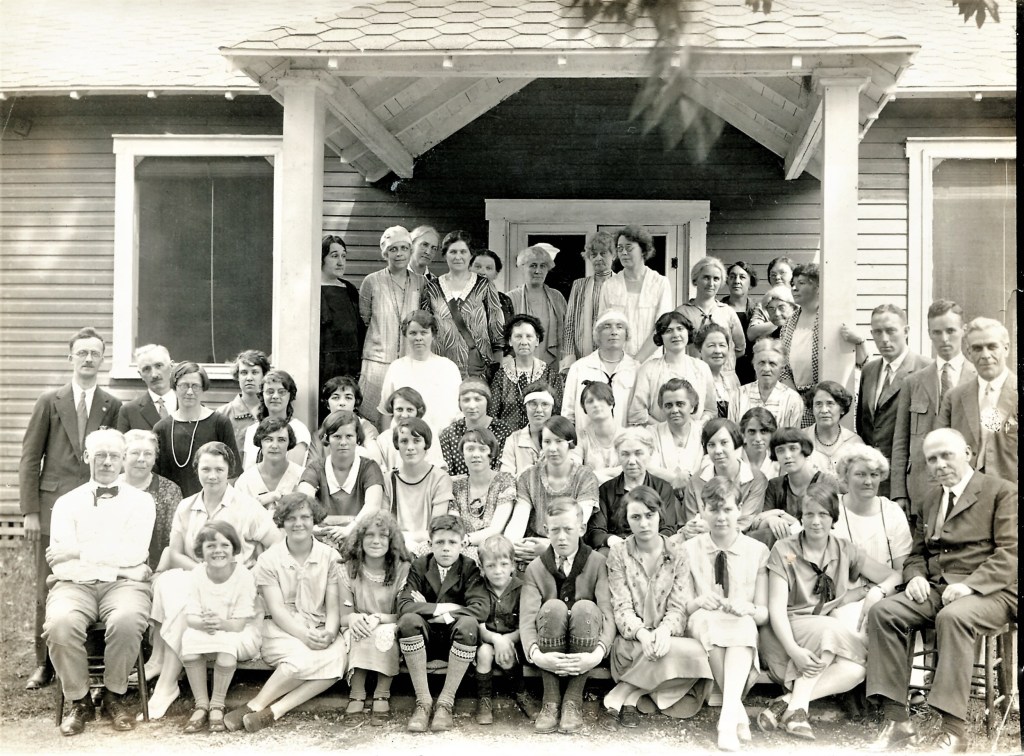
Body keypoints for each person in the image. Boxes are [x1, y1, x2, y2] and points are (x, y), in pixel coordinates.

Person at [866, 428, 1017, 753]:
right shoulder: (931, 498)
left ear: (968, 452)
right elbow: (917, 554)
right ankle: (898, 723)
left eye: (946, 455)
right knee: (883, 611)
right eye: (931, 459)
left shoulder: (1002, 492)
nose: (939, 464)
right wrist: (916, 576)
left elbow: (1011, 555)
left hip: (992, 592)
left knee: (952, 617)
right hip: (937, 589)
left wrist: (968, 586)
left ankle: (953, 731)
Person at [20, 327, 123, 690]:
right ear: (71, 358)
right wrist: (31, 512)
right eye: (82, 353)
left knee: (93, 579)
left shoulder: (112, 404)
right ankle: (45, 664)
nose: (88, 359)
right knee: (49, 585)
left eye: (95, 353)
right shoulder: (50, 401)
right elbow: (31, 458)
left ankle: (90, 661)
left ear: (102, 358)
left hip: (96, 508)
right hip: (52, 507)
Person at [759, 481, 901, 741]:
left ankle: (790, 704)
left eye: (823, 514)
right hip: (786, 633)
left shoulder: (843, 549)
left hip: (823, 636)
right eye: (809, 513)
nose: (815, 521)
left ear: (833, 517)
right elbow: (776, 611)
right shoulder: (784, 550)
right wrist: (793, 650)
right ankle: (797, 710)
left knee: (855, 671)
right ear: (801, 516)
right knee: (833, 629)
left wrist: (875, 592)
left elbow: (894, 575)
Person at [145, 442, 279, 719]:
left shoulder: (246, 506)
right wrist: (201, 574)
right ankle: (165, 670)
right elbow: (175, 552)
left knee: (183, 595)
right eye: (206, 469)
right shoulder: (186, 506)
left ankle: (166, 681)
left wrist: (248, 576)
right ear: (197, 471)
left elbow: (276, 544)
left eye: (220, 469)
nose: (213, 475)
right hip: (197, 577)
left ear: (229, 471)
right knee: (171, 583)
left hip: (231, 586)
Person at [43, 428, 154, 735]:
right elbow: (60, 561)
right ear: (87, 457)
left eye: (114, 456)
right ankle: (80, 701)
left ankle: (114, 695)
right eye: (100, 455)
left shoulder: (141, 502)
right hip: (75, 584)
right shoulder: (66, 503)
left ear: (123, 460)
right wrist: (120, 564)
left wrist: (79, 550)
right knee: (60, 624)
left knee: (128, 618)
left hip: (123, 586)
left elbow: (135, 552)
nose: (107, 462)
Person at [224, 493, 348, 733]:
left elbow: (333, 607)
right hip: (280, 628)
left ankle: (273, 711)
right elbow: (278, 610)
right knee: (298, 662)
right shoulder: (270, 559)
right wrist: (304, 635)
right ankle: (256, 704)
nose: (298, 523)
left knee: (337, 662)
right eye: (291, 518)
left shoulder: (330, 557)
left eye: (305, 517)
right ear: (282, 521)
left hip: (320, 626)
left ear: (314, 521)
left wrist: (331, 633)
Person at [601, 486, 713, 731]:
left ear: (660, 514)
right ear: (627, 520)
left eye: (650, 515)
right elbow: (621, 607)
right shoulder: (619, 553)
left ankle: (624, 695)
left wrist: (663, 632)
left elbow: (678, 607)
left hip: (666, 642)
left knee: (698, 654)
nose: (644, 523)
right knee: (670, 655)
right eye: (636, 517)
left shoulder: (677, 552)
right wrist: (643, 634)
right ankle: (637, 692)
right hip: (633, 643)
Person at [681, 477, 769, 751]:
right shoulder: (689, 549)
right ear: (702, 510)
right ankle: (736, 712)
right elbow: (684, 608)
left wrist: (749, 608)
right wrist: (699, 601)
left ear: (740, 508)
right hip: (703, 620)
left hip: (739, 622)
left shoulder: (757, 551)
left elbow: (764, 613)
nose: (720, 517)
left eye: (728, 510)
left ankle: (727, 719)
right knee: (710, 624)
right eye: (713, 509)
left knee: (742, 625)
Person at [520, 498, 615, 734]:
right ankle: (551, 701)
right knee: (553, 607)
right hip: (548, 650)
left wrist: (598, 653)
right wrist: (535, 655)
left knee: (585, 608)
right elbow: (527, 618)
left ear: (581, 529)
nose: (561, 537)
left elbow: (608, 613)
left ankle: (573, 700)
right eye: (555, 530)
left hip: (586, 647)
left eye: (568, 530)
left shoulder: (598, 563)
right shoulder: (535, 568)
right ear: (546, 531)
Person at [397, 514, 489, 732]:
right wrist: (445, 608)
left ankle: (446, 703)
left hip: (454, 639)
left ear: (463, 543)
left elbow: (480, 608)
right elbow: (404, 605)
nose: (446, 548)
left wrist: (439, 614)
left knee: (468, 625)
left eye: (452, 542)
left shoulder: (469, 568)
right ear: (430, 544)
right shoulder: (420, 565)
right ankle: (423, 702)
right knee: (409, 621)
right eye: (440, 542)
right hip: (425, 640)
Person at [891, 301, 974, 515]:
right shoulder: (913, 382)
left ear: (963, 331)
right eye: (937, 332)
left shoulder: (979, 378)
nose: (944, 339)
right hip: (921, 487)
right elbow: (900, 441)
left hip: (967, 484)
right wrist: (899, 493)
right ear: (929, 333)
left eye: (950, 331)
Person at [179, 521, 261, 734]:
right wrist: (204, 623)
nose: (218, 551)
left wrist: (220, 624)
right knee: (188, 642)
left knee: (226, 647)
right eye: (211, 546)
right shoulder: (197, 574)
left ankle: (217, 704)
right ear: (201, 551)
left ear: (234, 547)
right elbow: (191, 617)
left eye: (224, 545)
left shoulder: (243, 575)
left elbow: (240, 623)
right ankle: (201, 705)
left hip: (240, 631)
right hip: (209, 628)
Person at [337, 510, 412, 726]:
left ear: (392, 539)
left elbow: (404, 613)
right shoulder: (348, 568)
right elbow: (343, 616)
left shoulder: (402, 569)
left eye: (383, 535)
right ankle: (357, 692)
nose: (376, 541)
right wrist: (353, 619)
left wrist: (379, 618)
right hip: (357, 623)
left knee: (385, 632)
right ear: (359, 538)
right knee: (359, 629)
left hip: (389, 621)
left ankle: (382, 693)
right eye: (369, 535)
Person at [855, 304, 930, 496]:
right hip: (873, 481)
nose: (884, 339)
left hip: (909, 481)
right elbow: (864, 427)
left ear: (906, 331)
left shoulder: (926, 370)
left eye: (890, 331)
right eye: (877, 332)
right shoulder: (869, 371)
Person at [780, 264, 868, 428]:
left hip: (830, 403)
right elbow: (783, 368)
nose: (794, 287)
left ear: (819, 287)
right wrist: (798, 399)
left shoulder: (833, 319)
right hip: (801, 402)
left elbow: (862, 361)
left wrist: (860, 341)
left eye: (802, 283)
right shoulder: (788, 324)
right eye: (793, 283)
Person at [505, 417, 600, 567]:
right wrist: (510, 546)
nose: (552, 448)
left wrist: (549, 546)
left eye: (559, 441)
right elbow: (518, 520)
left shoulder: (585, 477)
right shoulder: (529, 477)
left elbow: (577, 523)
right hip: (532, 546)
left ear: (571, 444)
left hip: (570, 546)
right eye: (547, 442)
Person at [938, 317, 1017, 486]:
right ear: (968, 353)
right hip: (966, 494)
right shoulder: (954, 397)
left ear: (1006, 348)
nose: (985, 355)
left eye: (992, 347)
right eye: (977, 348)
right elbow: (940, 449)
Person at [358, 225, 425, 426]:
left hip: (409, 360)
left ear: (410, 251)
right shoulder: (372, 282)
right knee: (371, 417)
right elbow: (365, 317)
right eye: (393, 249)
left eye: (404, 248)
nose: (399, 254)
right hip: (377, 361)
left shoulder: (421, 283)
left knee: (405, 416)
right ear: (385, 253)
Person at [420, 229, 505, 379]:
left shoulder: (484, 285)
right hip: (440, 367)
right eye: (452, 252)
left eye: (463, 252)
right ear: (445, 254)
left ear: (471, 255)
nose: (458, 257)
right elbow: (425, 328)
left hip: (478, 369)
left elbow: (496, 328)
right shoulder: (432, 287)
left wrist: (497, 370)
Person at [297, 410, 385, 547]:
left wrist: (350, 530)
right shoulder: (316, 468)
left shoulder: (369, 468)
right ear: (327, 438)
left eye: (349, 436)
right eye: (337, 436)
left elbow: (373, 507)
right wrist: (312, 528)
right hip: (323, 539)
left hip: (360, 539)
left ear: (358, 439)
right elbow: (301, 501)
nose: (343, 442)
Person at [473, 534, 536, 724]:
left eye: (503, 564)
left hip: (514, 641)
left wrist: (506, 641)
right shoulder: (479, 588)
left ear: (513, 565)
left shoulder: (521, 588)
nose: (498, 571)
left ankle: (520, 693)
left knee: (507, 653)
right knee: (484, 652)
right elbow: (479, 625)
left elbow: (525, 625)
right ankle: (484, 700)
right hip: (488, 639)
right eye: (491, 566)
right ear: (482, 569)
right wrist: (496, 640)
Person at [154, 362, 240, 498]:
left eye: (195, 386)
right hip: (172, 505)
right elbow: (156, 476)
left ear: (203, 389)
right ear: (174, 388)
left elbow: (233, 473)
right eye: (183, 386)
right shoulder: (162, 428)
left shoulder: (220, 423)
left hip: (211, 503)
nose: (189, 392)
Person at [645, 256, 743, 369]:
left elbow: (740, 348)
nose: (711, 283)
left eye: (716, 279)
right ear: (696, 279)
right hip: (692, 374)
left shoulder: (728, 312)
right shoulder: (682, 313)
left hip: (723, 376)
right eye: (706, 277)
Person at [376, 310, 462, 438]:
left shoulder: (448, 367)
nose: (418, 338)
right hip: (407, 441)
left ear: (433, 335)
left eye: (424, 332)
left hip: (443, 440)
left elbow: (459, 411)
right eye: (413, 333)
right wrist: (387, 444)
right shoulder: (397, 367)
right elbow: (386, 412)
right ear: (406, 335)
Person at [588, 428, 676, 553]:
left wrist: (643, 543)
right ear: (618, 455)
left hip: (652, 548)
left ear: (650, 453)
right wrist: (614, 541)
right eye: (625, 454)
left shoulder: (662, 488)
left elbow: (668, 528)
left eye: (638, 453)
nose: (632, 461)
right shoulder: (605, 490)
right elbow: (595, 531)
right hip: (616, 550)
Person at [678, 419, 768, 540]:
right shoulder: (696, 480)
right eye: (711, 445)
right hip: (703, 543)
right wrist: (690, 528)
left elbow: (746, 522)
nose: (718, 451)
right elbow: (692, 520)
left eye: (724, 442)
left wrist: (711, 528)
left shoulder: (756, 479)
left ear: (735, 443)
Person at [749, 428, 836, 548]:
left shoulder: (826, 482)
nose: (787, 456)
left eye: (793, 448)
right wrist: (771, 520)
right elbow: (759, 523)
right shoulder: (775, 485)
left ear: (804, 450)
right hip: (783, 550)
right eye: (780, 451)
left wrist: (785, 518)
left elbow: (827, 526)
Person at [832, 445, 912, 574]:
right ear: (845, 476)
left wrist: (879, 590)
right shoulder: (830, 507)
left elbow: (901, 569)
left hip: (886, 591)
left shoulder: (892, 512)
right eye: (860, 474)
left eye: (874, 474)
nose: (868, 482)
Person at [598, 225, 673, 359]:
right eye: (620, 248)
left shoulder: (660, 283)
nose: (623, 253)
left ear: (643, 250)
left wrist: (636, 362)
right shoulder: (609, 285)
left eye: (629, 247)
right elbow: (604, 327)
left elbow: (662, 329)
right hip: (617, 362)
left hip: (651, 361)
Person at [628, 312, 716, 426]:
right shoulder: (648, 369)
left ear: (688, 333)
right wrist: (663, 430)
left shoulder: (702, 368)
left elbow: (711, 410)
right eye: (668, 331)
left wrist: (697, 427)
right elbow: (637, 412)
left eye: (680, 329)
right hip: (657, 436)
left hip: (695, 437)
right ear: (661, 337)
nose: (675, 335)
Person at [382, 418, 454, 554]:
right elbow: (384, 525)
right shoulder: (388, 479)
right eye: (404, 441)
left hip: (428, 547)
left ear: (426, 444)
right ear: (397, 445)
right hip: (394, 546)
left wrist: (409, 538)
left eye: (417, 441)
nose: (410, 447)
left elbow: (436, 529)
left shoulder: (440, 478)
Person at [561, 309, 639, 432]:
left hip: (625, 445)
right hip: (586, 445)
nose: (614, 332)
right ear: (598, 334)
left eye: (619, 327)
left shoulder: (636, 369)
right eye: (607, 327)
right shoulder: (579, 368)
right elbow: (568, 414)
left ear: (626, 334)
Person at [449, 429, 516, 563]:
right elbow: (453, 524)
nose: (476, 454)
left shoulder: (504, 481)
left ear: (491, 453)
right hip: (461, 545)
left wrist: (466, 540)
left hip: (495, 549)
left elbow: (497, 528)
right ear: (462, 453)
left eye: (482, 449)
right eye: (470, 449)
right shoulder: (456, 485)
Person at [121, 429, 183, 569]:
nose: (141, 459)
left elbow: (173, 542)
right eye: (135, 453)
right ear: (123, 456)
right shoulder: (110, 487)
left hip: (156, 568)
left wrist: (158, 574)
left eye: (148, 454)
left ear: (155, 458)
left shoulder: (170, 491)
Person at [489, 314, 562, 431]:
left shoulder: (550, 374)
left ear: (537, 340)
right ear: (510, 341)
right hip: (508, 441)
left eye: (529, 336)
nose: (524, 342)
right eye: (518, 336)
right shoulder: (501, 376)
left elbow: (557, 413)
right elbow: (492, 416)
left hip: (543, 439)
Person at [561, 231, 615, 370]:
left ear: (613, 255)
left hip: (613, 357)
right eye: (593, 254)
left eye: (603, 253)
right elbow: (569, 325)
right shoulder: (579, 285)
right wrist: (569, 358)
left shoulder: (621, 285)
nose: (598, 258)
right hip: (582, 357)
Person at [507, 244, 567, 368]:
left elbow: (567, 332)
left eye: (543, 266)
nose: (538, 271)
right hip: (519, 365)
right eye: (533, 265)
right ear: (522, 268)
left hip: (552, 365)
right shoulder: (511, 298)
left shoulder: (557, 297)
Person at [438, 379, 512, 476]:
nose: (472, 406)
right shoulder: (449, 433)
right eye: (466, 400)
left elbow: (502, 471)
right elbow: (446, 474)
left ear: (487, 401)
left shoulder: (503, 431)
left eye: (477, 399)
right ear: (459, 403)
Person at [319, 234, 364, 395]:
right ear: (321, 257)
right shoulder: (314, 289)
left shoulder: (349, 289)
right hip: (324, 364)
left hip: (350, 363)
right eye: (334, 256)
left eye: (344, 256)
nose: (340, 262)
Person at [241, 368, 311, 470]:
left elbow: (292, 473)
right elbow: (247, 470)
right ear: (262, 395)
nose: (275, 396)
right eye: (270, 391)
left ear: (290, 395)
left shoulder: (298, 430)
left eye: (281, 392)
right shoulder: (252, 430)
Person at [365, 387, 446, 472]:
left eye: (409, 410)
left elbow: (436, 468)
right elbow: (381, 471)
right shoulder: (384, 439)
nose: (404, 415)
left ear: (417, 412)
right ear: (392, 410)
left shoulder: (429, 434)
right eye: (399, 409)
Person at [646, 378, 704, 496]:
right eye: (668, 405)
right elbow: (650, 467)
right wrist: (675, 479)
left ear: (692, 406)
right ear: (662, 408)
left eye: (680, 404)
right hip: (664, 499)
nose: (674, 410)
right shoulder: (653, 433)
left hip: (700, 497)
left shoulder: (703, 432)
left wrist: (689, 480)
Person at [235, 418, 304, 510]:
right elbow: (237, 515)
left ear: (289, 443)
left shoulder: (302, 476)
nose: (274, 446)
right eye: (268, 439)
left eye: (281, 440)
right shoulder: (246, 481)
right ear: (260, 442)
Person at [737, 338, 804, 430]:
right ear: (754, 365)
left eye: (772, 363)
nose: (766, 369)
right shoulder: (738, 395)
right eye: (761, 363)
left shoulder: (793, 399)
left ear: (782, 368)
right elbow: (734, 437)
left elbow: (790, 438)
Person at [498, 380, 558, 477]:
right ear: (525, 407)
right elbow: (506, 478)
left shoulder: (561, 438)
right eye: (533, 404)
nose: (539, 410)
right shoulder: (513, 440)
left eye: (545, 404)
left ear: (552, 408)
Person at [216, 350, 271, 453]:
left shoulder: (272, 411)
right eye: (244, 372)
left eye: (255, 372)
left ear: (263, 376)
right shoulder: (223, 414)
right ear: (238, 376)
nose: (249, 378)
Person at [803, 381, 863, 476]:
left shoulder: (855, 443)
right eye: (818, 404)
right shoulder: (800, 439)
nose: (824, 410)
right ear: (812, 409)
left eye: (830, 403)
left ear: (842, 409)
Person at [314, 375, 379, 463]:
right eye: (335, 397)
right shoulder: (321, 431)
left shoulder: (366, 427)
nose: (342, 403)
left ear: (355, 402)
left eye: (348, 397)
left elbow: (375, 459)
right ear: (327, 404)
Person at [116, 343, 175, 432]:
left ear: (171, 367)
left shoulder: (189, 405)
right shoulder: (129, 411)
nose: (154, 374)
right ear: (141, 375)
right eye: (147, 369)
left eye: (159, 366)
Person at [575, 381, 623, 484]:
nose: (596, 404)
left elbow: (633, 472)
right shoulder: (580, 437)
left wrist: (593, 474)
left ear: (611, 403)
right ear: (585, 409)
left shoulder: (627, 436)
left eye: (600, 399)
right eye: (590, 401)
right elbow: (575, 474)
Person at [722, 262, 759, 384]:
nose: (737, 281)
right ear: (727, 281)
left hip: (753, 371)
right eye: (732, 277)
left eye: (742, 277)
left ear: (750, 283)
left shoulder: (759, 310)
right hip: (725, 370)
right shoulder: (718, 310)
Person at [695, 323, 740, 421]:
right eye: (711, 346)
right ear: (699, 349)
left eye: (722, 345)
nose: (718, 351)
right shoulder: (693, 380)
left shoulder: (732, 381)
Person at [470, 248, 516, 325]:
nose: (482, 272)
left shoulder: (504, 300)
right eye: (477, 267)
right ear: (469, 269)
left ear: (496, 274)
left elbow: (510, 330)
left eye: (488, 268)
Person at [739, 407, 779, 480]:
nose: (758, 439)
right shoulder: (734, 459)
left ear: (772, 434)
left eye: (763, 431)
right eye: (752, 432)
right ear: (743, 434)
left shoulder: (778, 462)